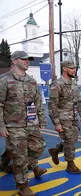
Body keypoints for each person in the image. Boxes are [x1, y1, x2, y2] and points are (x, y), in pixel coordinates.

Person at [0, 50, 47, 195]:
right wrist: (1, 125)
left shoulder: (31, 80)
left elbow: (38, 101)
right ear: (14, 61)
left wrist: (41, 119)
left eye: (28, 60)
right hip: (13, 125)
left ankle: (7, 160)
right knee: (19, 156)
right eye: (24, 59)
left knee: (38, 147)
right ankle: (22, 186)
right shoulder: (4, 80)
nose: (27, 61)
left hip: (31, 123)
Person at [48, 60, 81, 174]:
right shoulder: (57, 85)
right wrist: (56, 123)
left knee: (73, 139)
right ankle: (70, 163)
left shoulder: (74, 83)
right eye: (71, 68)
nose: (74, 70)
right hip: (63, 117)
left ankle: (56, 150)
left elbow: (79, 100)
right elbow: (52, 106)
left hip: (73, 116)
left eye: (75, 68)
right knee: (69, 140)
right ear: (64, 69)